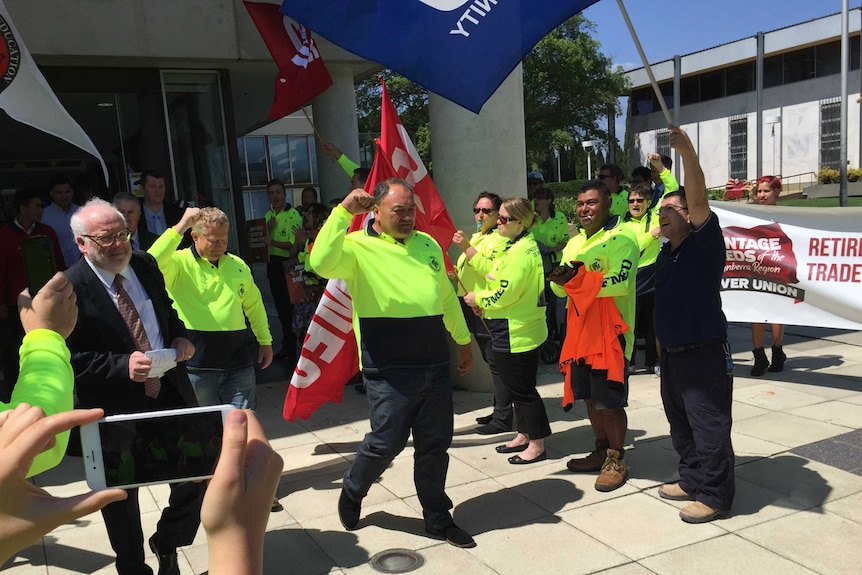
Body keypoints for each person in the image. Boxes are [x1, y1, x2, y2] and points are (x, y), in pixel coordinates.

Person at [310, 178, 476, 548]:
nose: (406, 217)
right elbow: (319, 263)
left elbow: (446, 297)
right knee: (387, 441)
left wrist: (463, 342)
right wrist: (340, 214)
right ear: (376, 211)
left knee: (435, 444)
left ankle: (437, 515)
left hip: (433, 362)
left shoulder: (428, 244)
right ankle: (353, 490)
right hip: (388, 366)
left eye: (411, 210)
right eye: (398, 210)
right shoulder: (355, 247)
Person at [65, 198, 204, 575]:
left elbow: (167, 311)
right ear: (82, 243)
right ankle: (133, 567)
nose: (119, 244)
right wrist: (121, 365)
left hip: (167, 392)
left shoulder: (143, 263)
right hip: (114, 410)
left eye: (123, 233)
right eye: (106, 238)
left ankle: (168, 541)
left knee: (196, 473)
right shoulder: (68, 288)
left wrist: (180, 338)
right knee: (121, 498)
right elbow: (69, 359)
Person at [0, 404, 283, 575]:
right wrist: (237, 538)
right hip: (117, 424)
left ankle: (164, 547)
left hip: (160, 416)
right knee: (123, 515)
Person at [654, 126, 734, 524]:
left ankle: (716, 494)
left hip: (703, 353)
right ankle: (692, 478)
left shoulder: (704, 242)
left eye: (671, 210)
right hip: (672, 354)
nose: (662, 215)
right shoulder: (666, 254)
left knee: (709, 425)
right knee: (680, 422)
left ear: (690, 215)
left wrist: (687, 155)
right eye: (660, 211)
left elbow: (698, 195)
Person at [549, 180, 639, 492]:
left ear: (609, 204)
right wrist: (566, 280)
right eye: (580, 203)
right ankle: (600, 450)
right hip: (579, 334)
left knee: (609, 402)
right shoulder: (574, 244)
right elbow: (558, 287)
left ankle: (617, 459)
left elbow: (619, 283)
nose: (584, 209)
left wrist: (577, 280)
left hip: (610, 336)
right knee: (589, 399)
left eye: (591, 203)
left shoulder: (622, 238)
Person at [148, 206, 274, 411]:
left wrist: (265, 340)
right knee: (205, 427)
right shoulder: (178, 263)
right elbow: (151, 260)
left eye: (224, 240)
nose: (220, 246)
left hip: (238, 361)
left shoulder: (238, 264)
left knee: (244, 421)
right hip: (197, 364)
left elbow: (254, 305)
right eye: (213, 240)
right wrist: (180, 226)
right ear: (195, 236)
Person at [464, 197, 550, 464]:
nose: (497, 222)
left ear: (521, 222)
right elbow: (500, 276)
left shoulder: (520, 252)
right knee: (517, 387)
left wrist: (478, 299)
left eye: (503, 218)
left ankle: (536, 443)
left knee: (522, 390)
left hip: (515, 330)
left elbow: (505, 292)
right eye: (498, 216)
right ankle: (524, 434)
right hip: (517, 326)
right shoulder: (519, 245)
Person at [451, 192, 510, 434]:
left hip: (485, 306)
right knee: (491, 360)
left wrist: (465, 247)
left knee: (497, 362)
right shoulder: (477, 236)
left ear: (498, 215)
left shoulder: (499, 239)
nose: (480, 215)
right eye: (477, 210)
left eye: (486, 211)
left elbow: (490, 271)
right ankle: (501, 409)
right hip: (468, 302)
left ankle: (504, 416)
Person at [0, 188, 65, 399]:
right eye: (37, 205)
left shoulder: (47, 231)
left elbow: (59, 264)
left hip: (46, 301)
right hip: (14, 306)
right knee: (14, 350)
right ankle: (14, 396)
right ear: (23, 208)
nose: (41, 210)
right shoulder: (4, 235)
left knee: (46, 344)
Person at [747, 175, 786, 376]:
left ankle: (777, 350)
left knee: (776, 312)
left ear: (776, 192)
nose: (762, 195)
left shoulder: (786, 215)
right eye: (759, 191)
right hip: (755, 267)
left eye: (766, 191)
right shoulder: (750, 213)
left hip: (778, 268)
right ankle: (759, 355)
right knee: (756, 312)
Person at [622, 183, 662, 374]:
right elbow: (630, 248)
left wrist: (660, 169)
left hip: (653, 274)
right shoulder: (622, 224)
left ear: (648, 202)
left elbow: (670, 188)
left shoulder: (657, 217)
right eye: (631, 200)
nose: (635, 204)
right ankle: (629, 361)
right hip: (632, 277)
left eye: (639, 200)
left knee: (653, 323)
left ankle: (653, 361)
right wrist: (650, 236)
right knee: (630, 323)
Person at [264, 179, 303, 361]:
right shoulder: (267, 216)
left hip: (287, 265)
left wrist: (272, 241)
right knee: (279, 308)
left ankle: (294, 346)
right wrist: (267, 229)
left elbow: (292, 244)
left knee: (290, 309)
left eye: (278, 192)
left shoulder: (293, 214)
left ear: (284, 194)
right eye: (272, 193)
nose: (275, 196)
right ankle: (286, 344)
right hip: (272, 264)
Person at [40, 174, 81, 268]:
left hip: (82, 269)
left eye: (67, 192)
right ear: (51, 194)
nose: (64, 196)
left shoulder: (81, 212)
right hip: (56, 270)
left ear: (72, 192)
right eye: (59, 193)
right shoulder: (44, 216)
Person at [137, 169, 185, 238]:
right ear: (142, 188)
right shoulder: (136, 215)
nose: (158, 191)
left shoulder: (176, 212)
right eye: (153, 187)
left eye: (161, 187)